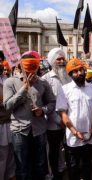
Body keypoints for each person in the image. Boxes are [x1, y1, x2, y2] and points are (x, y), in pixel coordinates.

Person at [4, 51, 56, 180]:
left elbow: (52, 102)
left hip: (39, 131)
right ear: (21, 67)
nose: (30, 73)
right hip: (20, 131)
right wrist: (24, 89)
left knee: (40, 166)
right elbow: (7, 106)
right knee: (22, 168)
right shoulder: (10, 82)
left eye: (33, 68)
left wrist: (42, 110)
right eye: (28, 69)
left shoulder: (43, 83)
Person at [56, 58, 92, 180]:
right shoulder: (64, 90)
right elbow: (63, 113)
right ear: (70, 74)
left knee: (88, 166)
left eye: (81, 70)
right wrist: (75, 132)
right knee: (73, 167)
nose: (80, 73)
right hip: (73, 138)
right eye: (75, 71)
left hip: (90, 136)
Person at [42, 48, 71, 180]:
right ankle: (55, 174)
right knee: (53, 151)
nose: (61, 61)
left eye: (62, 59)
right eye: (58, 59)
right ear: (52, 62)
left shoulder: (69, 77)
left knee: (68, 150)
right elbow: (46, 103)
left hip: (70, 122)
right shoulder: (45, 79)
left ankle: (67, 171)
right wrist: (58, 120)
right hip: (53, 123)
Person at [0, 59, 16, 180]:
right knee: (2, 156)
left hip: (10, 122)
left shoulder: (7, 80)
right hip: (1, 124)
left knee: (11, 154)